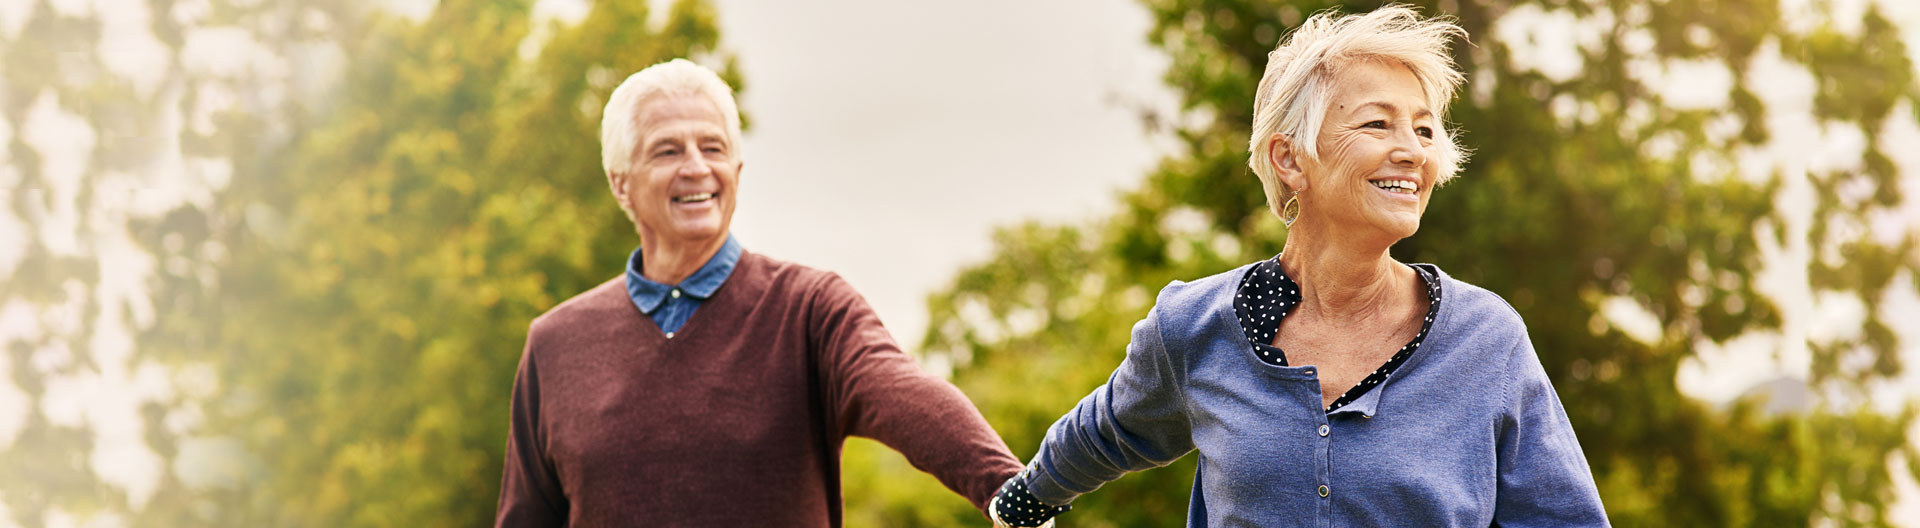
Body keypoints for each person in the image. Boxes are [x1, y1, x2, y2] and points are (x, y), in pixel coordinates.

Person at [987, 6, 1608, 527]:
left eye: (1424, 131)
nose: (1412, 152)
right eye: (1376, 123)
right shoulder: (1194, 329)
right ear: (1290, 159)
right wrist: (1022, 503)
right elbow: (1104, 433)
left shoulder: (1486, 339)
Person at [495, 58, 1023, 526]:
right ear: (620, 182)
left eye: (713, 147)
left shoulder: (811, 309)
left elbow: (902, 393)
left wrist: (1008, 490)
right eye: (667, 150)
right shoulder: (555, 344)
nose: (697, 167)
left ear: (737, 170)